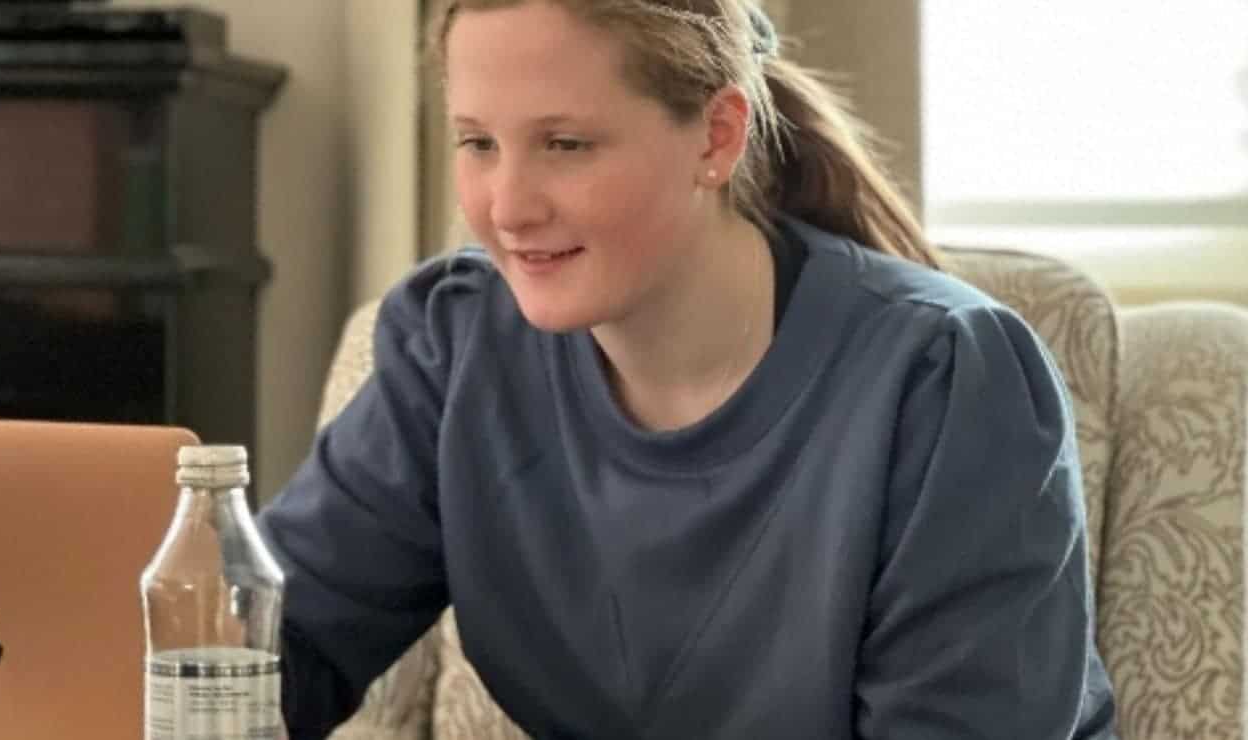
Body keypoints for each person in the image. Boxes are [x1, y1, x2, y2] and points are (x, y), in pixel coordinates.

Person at [256, 0, 1119, 737]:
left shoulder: (946, 377)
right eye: (478, 142)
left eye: (566, 143)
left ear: (717, 135)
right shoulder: (453, 346)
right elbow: (272, 651)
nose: (507, 208)